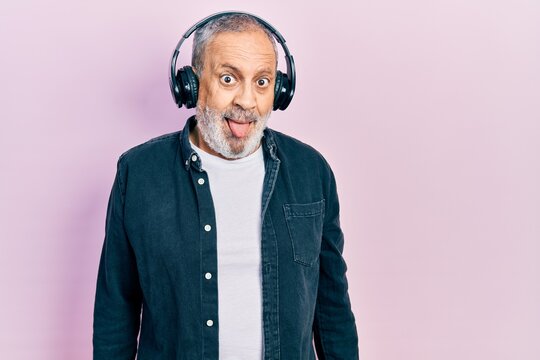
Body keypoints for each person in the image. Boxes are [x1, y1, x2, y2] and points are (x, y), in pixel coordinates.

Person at [93, 11, 359, 360]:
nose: (247, 102)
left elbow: (332, 308)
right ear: (191, 84)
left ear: (280, 90)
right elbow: (117, 307)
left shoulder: (312, 172)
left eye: (262, 82)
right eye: (229, 79)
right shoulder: (139, 174)